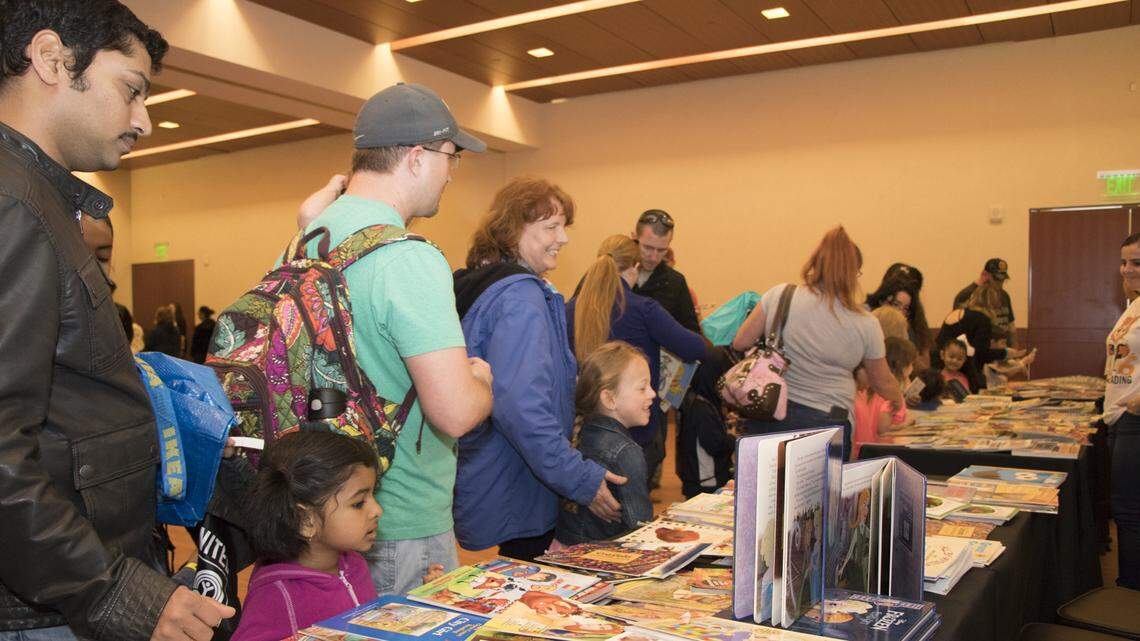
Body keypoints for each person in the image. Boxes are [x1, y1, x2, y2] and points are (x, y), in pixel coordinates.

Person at [0, 2, 234, 639]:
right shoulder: (14, 203)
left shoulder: (36, 197)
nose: (145, 121)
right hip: (44, 606)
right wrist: (114, 593)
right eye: (131, 90)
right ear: (52, 59)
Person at [301, 82, 494, 595]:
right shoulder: (408, 257)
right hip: (401, 517)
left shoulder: (307, 238)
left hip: (325, 514)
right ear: (415, 157)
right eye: (451, 157)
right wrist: (480, 380)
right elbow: (455, 412)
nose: (452, 173)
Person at [453, 177, 623, 561]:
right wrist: (579, 478)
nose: (563, 238)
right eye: (551, 227)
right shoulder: (520, 297)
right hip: (519, 480)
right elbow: (522, 408)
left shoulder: (489, 285)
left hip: (500, 471)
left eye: (564, 226)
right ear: (513, 232)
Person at [732, 226, 902, 458]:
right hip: (829, 418)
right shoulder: (865, 323)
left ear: (815, 263)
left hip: (770, 412)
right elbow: (882, 382)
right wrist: (899, 397)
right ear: (853, 274)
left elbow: (741, 341)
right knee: (821, 493)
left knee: (768, 490)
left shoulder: (780, 295)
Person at [234, 431, 399, 641]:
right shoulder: (277, 595)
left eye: (373, 495)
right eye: (358, 503)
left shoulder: (354, 564)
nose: (377, 510)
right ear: (306, 521)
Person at [567, 235, 705, 479]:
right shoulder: (643, 308)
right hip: (635, 431)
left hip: (586, 428)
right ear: (635, 268)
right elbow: (695, 347)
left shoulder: (571, 308)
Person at [555, 342, 655, 546]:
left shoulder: (578, 431)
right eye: (642, 388)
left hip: (565, 550)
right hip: (604, 558)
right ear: (609, 399)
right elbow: (639, 526)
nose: (652, 394)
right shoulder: (626, 452)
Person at [1105, 232, 1140, 590]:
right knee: (1126, 510)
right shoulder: (1133, 306)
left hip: (1136, 420)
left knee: (1130, 512)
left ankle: (1129, 595)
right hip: (1119, 418)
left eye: (1137, 262)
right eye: (1124, 261)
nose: (1127, 269)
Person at [933, 283, 1025, 392]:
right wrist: (1005, 353)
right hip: (961, 372)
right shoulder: (982, 319)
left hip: (940, 367)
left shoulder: (957, 312)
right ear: (993, 305)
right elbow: (981, 353)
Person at [676, 347, 737, 498]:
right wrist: (734, 438)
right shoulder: (702, 409)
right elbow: (714, 444)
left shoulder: (697, 399)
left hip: (697, 477)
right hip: (706, 482)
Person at [631, 210, 701, 334]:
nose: (654, 257)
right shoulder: (611, 273)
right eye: (647, 248)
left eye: (661, 250)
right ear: (634, 237)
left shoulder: (675, 282)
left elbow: (691, 333)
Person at [852, 337, 915, 458]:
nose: (912, 367)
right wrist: (907, 423)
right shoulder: (889, 393)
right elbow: (883, 428)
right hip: (882, 451)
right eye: (912, 363)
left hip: (873, 450)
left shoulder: (878, 390)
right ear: (903, 365)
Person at [866, 269, 932, 367]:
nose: (900, 312)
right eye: (896, 304)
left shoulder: (910, 331)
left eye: (906, 308)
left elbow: (922, 367)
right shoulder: (868, 324)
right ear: (882, 301)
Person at [953, 258, 1015, 339]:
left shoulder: (1004, 295)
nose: (1000, 284)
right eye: (996, 280)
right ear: (985, 274)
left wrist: (1015, 350)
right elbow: (961, 329)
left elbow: (1011, 327)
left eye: (1003, 280)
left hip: (1002, 346)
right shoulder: (966, 295)